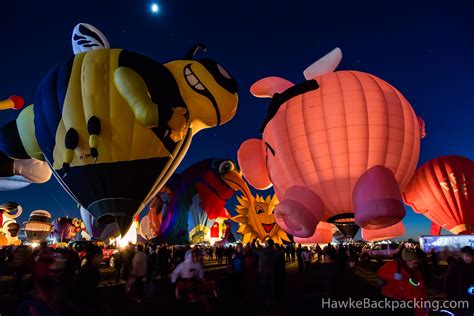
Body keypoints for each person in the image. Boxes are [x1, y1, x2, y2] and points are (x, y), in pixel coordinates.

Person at [377, 248, 427, 316]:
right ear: (407, 261)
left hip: (408, 303)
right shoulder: (393, 267)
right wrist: (393, 276)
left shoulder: (414, 271)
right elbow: (381, 273)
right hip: (395, 302)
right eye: (415, 263)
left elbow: (420, 287)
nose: (416, 265)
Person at [445, 246, 474, 316]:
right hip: (459, 296)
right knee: (462, 312)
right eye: (466, 256)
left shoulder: (473, 266)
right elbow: (448, 281)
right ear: (462, 255)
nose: (468, 258)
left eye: (470, 256)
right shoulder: (456, 266)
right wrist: (451, 296)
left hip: (471, 295)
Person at [74, 244, 103, 314]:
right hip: (86, 305)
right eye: (101, 256)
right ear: (95, 257)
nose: (102, 259)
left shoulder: (87, 268)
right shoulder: (90, 270)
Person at [251, 238, 277, 307]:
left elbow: (253, 248)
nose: (264, 243)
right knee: (271, 287)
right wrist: (259, 244)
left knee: (264, 287)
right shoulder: (273, 251)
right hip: (271, 271)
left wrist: (253, 241)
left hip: (263, 272)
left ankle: (265, 303)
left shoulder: (263, 252)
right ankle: (271, 301)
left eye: (266, 242)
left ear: (268, 244)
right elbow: (263, 249)